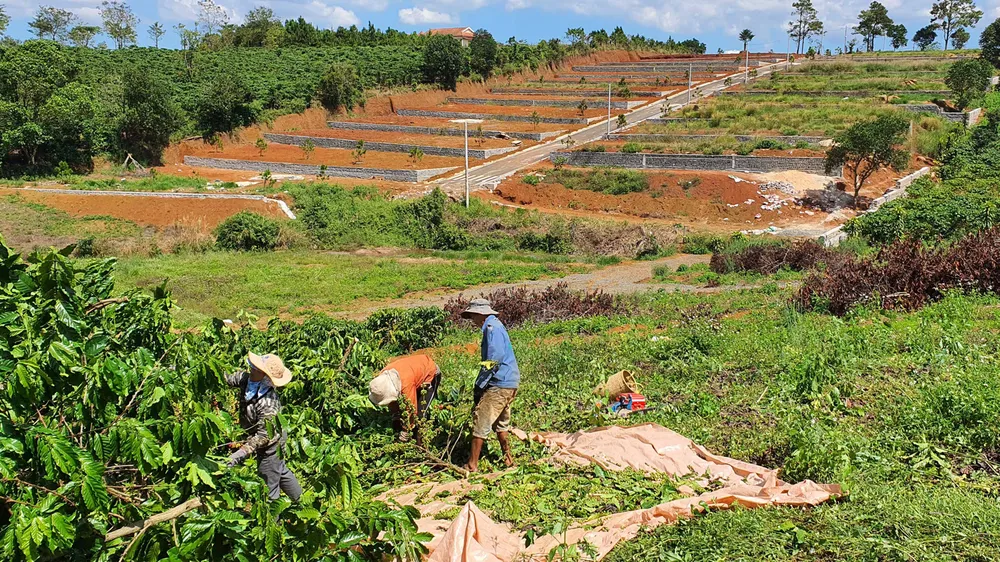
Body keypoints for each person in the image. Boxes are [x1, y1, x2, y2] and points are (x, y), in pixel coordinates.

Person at [224, 352, 302, 502]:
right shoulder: (246, 380)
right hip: (258, 435)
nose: (252, 368)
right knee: (279, 470)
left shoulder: (268, 402)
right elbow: (226, 378)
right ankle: (301, 502)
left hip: (272, 442)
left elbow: (264, 436)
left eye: (257, 369)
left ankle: (272, 521)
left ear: (265, 376)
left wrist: (239, 455)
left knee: (268, 483)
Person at [461, 298, 520, 472]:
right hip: (509, 381)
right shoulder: (496, 325)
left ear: (480, 314)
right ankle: (508, 459)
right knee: (501, 422)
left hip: (499, 383)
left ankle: (472, 465)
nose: (472, 321)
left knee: (482, 421)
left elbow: (494, 359)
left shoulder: (491, 328)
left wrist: (480, 384)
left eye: (472, 316)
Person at [368, 354, 442, 444]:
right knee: (400, 416)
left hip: (430, 374)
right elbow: (391, 401)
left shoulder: (406, 385)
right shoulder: (383, 378)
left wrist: (405, 432)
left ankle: (421, 446)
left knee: (420, 416)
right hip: (414, 374)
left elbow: (411, 411)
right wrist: (396, 417)